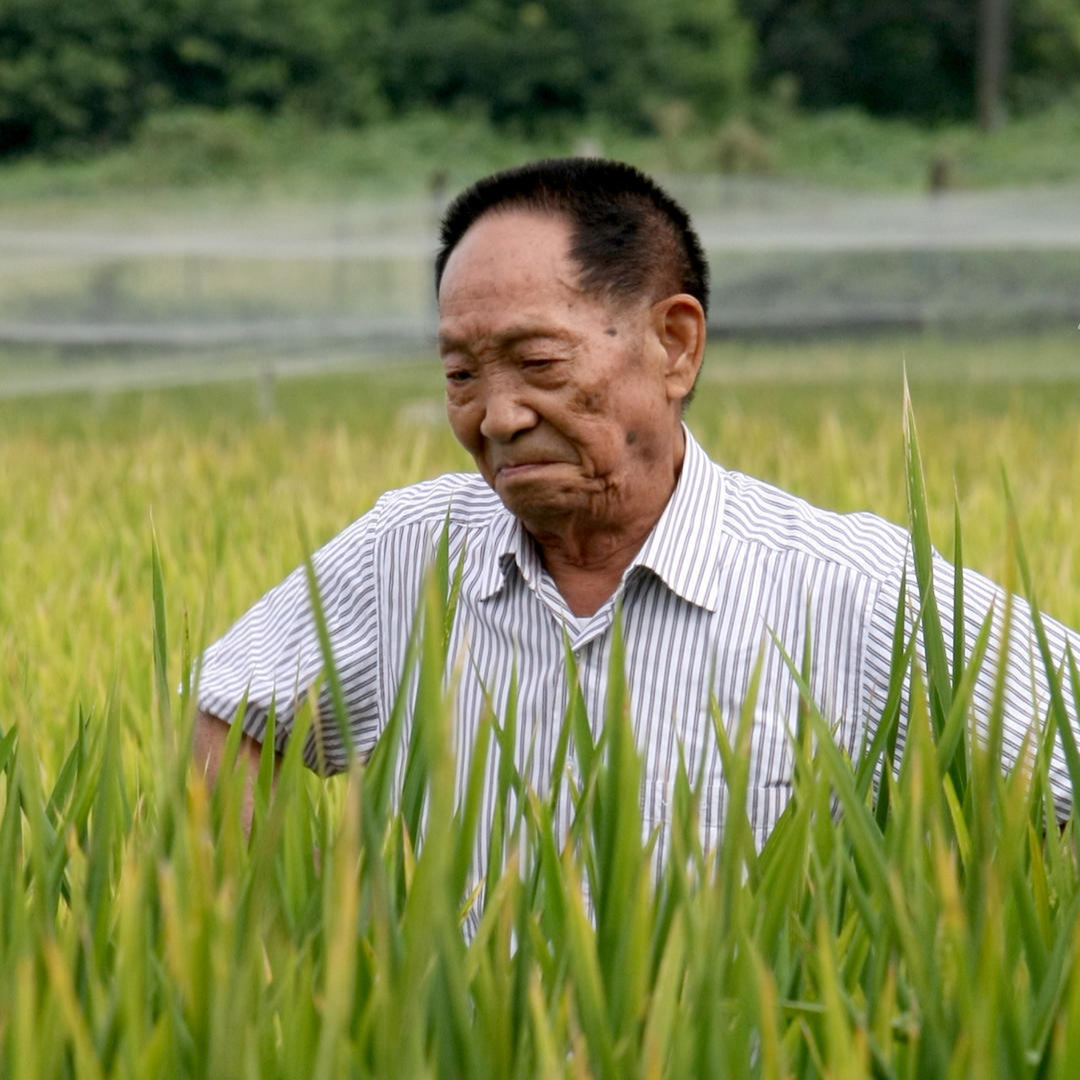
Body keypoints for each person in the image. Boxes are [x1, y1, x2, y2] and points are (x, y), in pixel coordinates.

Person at [194, 157, 1079, 865]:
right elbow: (232, 722)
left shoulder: (859, 593)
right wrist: (282, 956)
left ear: (675, 345)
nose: (495, 416)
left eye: (538, 363)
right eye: (461, 374)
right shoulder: (410, 551)